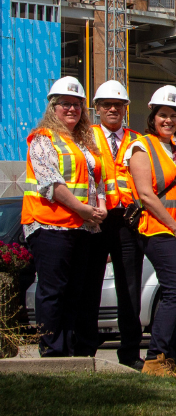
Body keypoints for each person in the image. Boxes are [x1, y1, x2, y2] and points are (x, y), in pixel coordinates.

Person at [21, 77, 107, 357]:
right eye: (65, 104)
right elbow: (51, 184)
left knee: (75, 291)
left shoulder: (83, 141)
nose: (71, 109)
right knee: (53, 290)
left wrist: (100, 206)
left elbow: (97, 181)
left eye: (77, 105)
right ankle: (52, 350)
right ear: (53, 108)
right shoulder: (43, 139)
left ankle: (70, 349)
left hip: (82, 227)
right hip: (49, 225)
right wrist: (83, 210)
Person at [125, 86, 176, 378]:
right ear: (153, 117)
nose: (168, 120)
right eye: (162, 115)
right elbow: (147, 195)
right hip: (159, 231)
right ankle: (155, 358)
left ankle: (172, 361)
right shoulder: (141, 146)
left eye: (173, 116)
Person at [87, 80, 145, 369]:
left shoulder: (137, 139)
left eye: (118, 105)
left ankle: (131, 351)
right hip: (95, 219)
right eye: (106, 105)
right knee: (89, 284)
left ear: (125, 109)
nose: (112, 109)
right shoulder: (86, 136)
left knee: (129, 288)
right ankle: (84, 347)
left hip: (127, 221)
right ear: (97, 108)